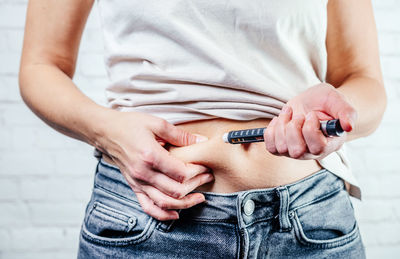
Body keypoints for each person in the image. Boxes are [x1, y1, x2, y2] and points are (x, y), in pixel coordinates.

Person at [19, 0, 386, 258]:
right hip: (150, 221)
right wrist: (107, 131)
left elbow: (364, 82)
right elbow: (40, 65)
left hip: (310, 224)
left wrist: (330, 122)